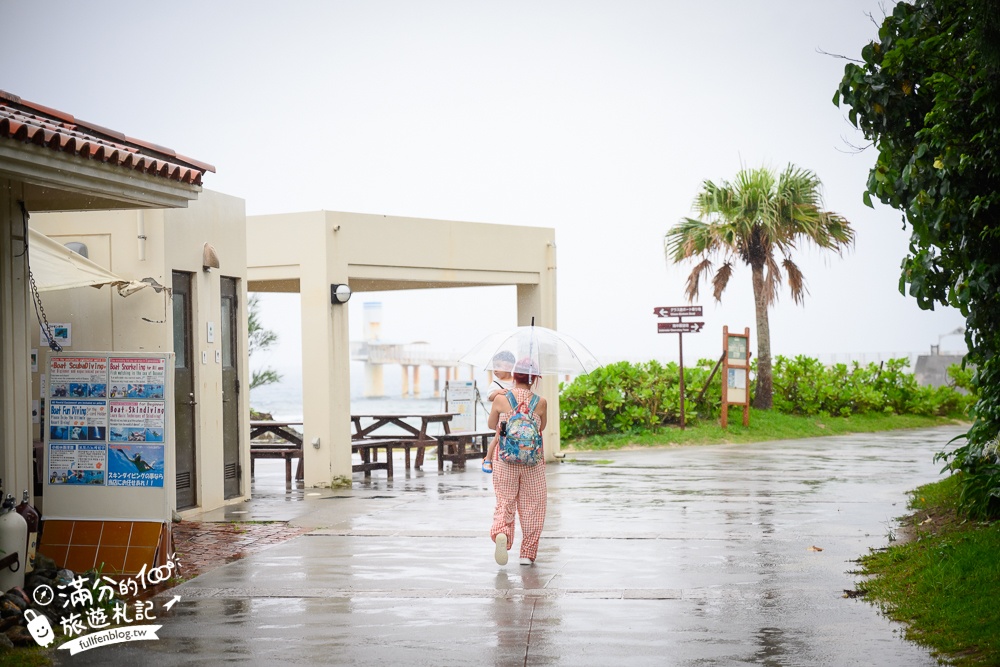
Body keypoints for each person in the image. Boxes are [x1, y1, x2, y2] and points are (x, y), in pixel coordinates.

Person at [487, 357, 547, 566]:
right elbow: (542, 428)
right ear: (534, 379)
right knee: (533, 505)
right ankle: (527, 553)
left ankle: (502, 532)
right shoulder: (540, 402)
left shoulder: (501, 399)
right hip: (533, 462)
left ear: (514, 375)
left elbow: (491, 424)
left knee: (505, 500)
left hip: (505, 459)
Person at [482, 351, 516, 473]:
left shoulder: (515, 381)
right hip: (503, 419)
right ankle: (488, 458)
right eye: (494, 367)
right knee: (497, 437)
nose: (495, 370)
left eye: (498, 366)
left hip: (516, 416)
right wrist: (497, 392)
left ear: (510, 367)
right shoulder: (495, 384)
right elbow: (489, 396)